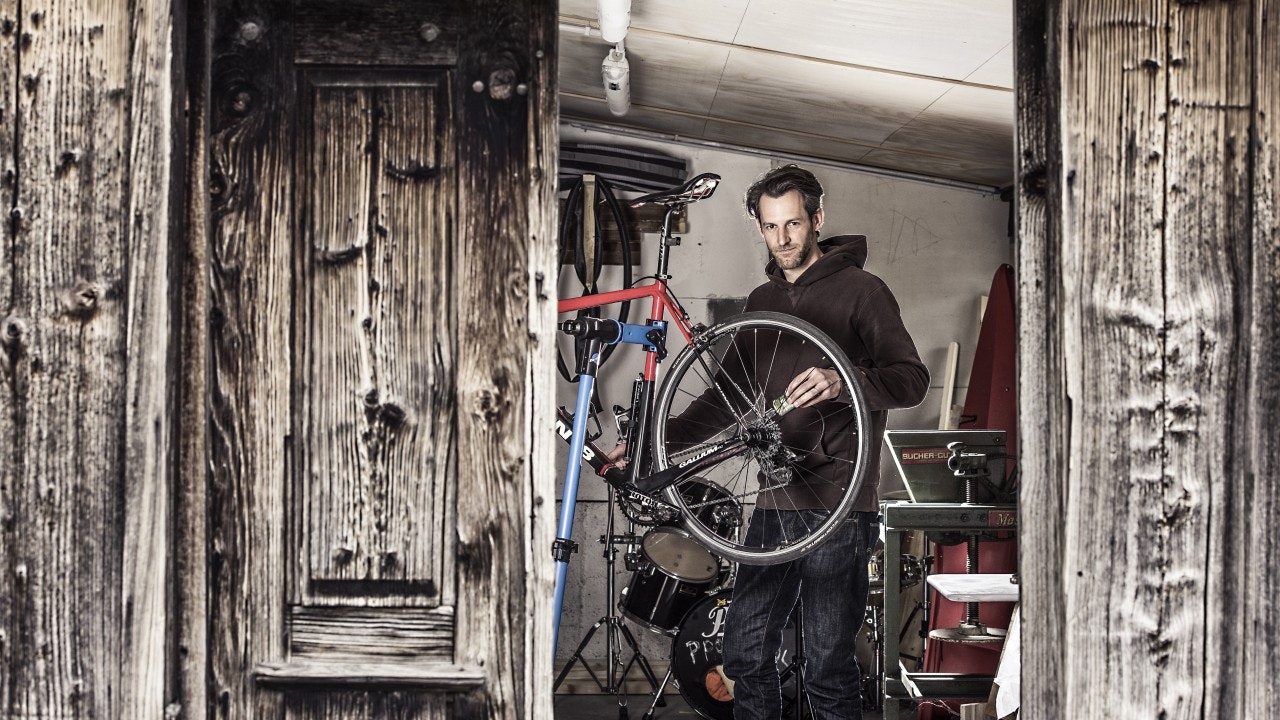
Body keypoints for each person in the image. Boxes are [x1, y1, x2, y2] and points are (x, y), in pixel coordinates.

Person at [718, 164, 929, 719]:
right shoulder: (760, 299)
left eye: (792, 223)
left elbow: (911, 381)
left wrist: (844, 381)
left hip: (838, 503)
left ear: (817, 219)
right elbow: (721, 397)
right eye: (769, 226)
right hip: (774, 497)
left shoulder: (863, 291)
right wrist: (649, 443)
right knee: (743, 652)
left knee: (828, 668)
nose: (782, 238)